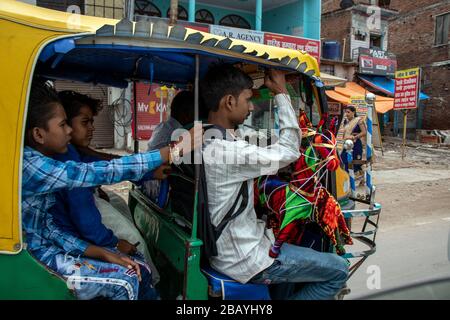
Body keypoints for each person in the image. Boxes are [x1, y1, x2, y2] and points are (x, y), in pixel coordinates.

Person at [22, 80, 200, 299]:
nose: (68, 130)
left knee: (134, 268)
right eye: (62, 125)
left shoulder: (44, 160)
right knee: (126, 280)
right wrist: (170, 152)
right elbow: (99, 171)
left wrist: (103, 253)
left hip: (49, 247)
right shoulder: (33, 167)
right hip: (36, 257)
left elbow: (48, 230)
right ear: (39, 134)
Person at [200, 63, 349, 300]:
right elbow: (289, 151)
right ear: (229, 102)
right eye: (247, 100)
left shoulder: (203, 138)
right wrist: (281, 93)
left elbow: (255, 144)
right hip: (247, 259)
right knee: (339, 270)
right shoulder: (228, 150)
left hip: (228, 249)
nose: (250, 108)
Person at [50, 90, 165, 284]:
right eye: (85, 122)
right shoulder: (65, 155)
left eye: (92, 122)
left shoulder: (73, 150)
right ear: (65, 124)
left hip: (88, 202)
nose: (92, 128)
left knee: (119, 202)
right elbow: (106, 172)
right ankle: (152, 284)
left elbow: (102, 160)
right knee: (135, 239)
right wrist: (114, 243)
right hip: (78, 229)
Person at [340, 105, 367, 179]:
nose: (346, 114)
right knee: (343, 159)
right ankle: (348, 177)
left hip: (355, 144)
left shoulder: (359, 120)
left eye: (348, 112)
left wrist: (355, 137)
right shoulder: (346, 121)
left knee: (355, 161)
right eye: (346, 112)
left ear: (353, 112)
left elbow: (364, 132)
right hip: (347, 144)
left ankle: (359, 177)